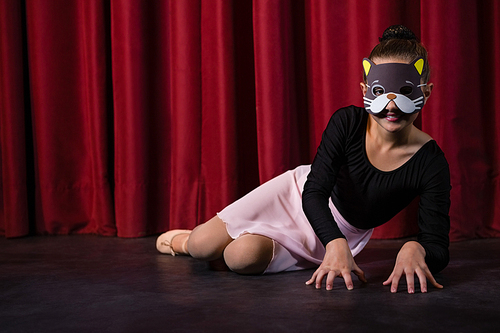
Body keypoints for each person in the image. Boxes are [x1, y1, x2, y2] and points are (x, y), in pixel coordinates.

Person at [156, 25, 451, 294]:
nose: (391, 105)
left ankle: (236, 246)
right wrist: (335, 243)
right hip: (299, 195)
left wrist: (416, 248)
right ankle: (189, 241)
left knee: (241, 258)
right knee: (200, 246)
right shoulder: (347, 122)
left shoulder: (431, 162)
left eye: (405, 92)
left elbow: (437, 243)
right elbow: (314, 192)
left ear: (426, 93)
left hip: (345, 231)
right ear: (364, 90)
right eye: (379, 91)